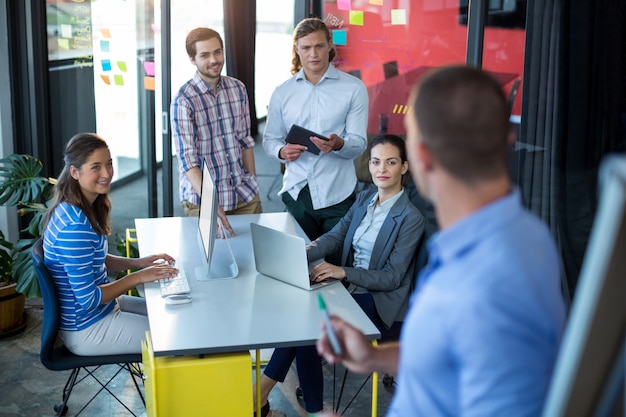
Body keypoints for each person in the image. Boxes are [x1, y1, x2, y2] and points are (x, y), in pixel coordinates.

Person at [317, 66, 566, 416]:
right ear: (507, 140)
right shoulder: (525, 233)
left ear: (419, 159)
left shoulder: (485, 280)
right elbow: (449, 352)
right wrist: (375, 356)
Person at [256, 134, 425, 416]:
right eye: (375, 162)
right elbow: (335, 236)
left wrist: (342, 271)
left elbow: (392, 277)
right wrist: (301, 251)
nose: (381, 169)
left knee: (309, 324)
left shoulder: (410, 218)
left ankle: (265, 395)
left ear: (404, 167)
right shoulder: (364, 198)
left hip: (379, 301)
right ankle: (295, 404)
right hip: (348, 289)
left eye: (391, 162)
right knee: (302, 311)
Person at [43, 133, 179, 356]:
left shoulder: (80, 207)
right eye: (96, 167)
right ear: (75, 172)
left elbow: (94, 259)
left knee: (171, 314)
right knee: (174, 336)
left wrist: (139, 262)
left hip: (103, 310)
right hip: (88, 327)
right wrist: (137, 276)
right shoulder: (74, 226)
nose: (106, 173)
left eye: (109, 164)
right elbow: (88, 300)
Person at [263, 17, 368, 244]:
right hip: (297, 193)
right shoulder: (282, 92)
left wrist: (340, 144)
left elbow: (359, 143)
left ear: (330, 45)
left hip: (338, 194)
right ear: (297, 49)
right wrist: (282, 152)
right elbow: (270, 140)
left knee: (336, 265)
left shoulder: (354, 89)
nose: (313, 54)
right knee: (297, 264)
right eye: (306, 48)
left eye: (319, 46)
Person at [171, 27, 261, 236]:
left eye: (217, 52)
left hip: (244, 194)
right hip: (203, 202)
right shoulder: (183, 100)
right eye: (204, 55)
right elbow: (188, 161)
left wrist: (253, 182)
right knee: (212, 264)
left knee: (256, 258)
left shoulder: (238, 88)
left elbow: (245, 141)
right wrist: (211, 203)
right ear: (192, 59)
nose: (214, 59)